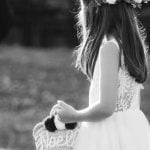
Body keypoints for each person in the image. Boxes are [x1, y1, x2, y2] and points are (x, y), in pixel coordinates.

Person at [51, 0, 150, 149]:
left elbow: (106, 108)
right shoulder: (131, 46)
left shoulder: (110, 48)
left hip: (109, 133)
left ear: (96, 11)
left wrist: (73, 115)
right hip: (133, 129)